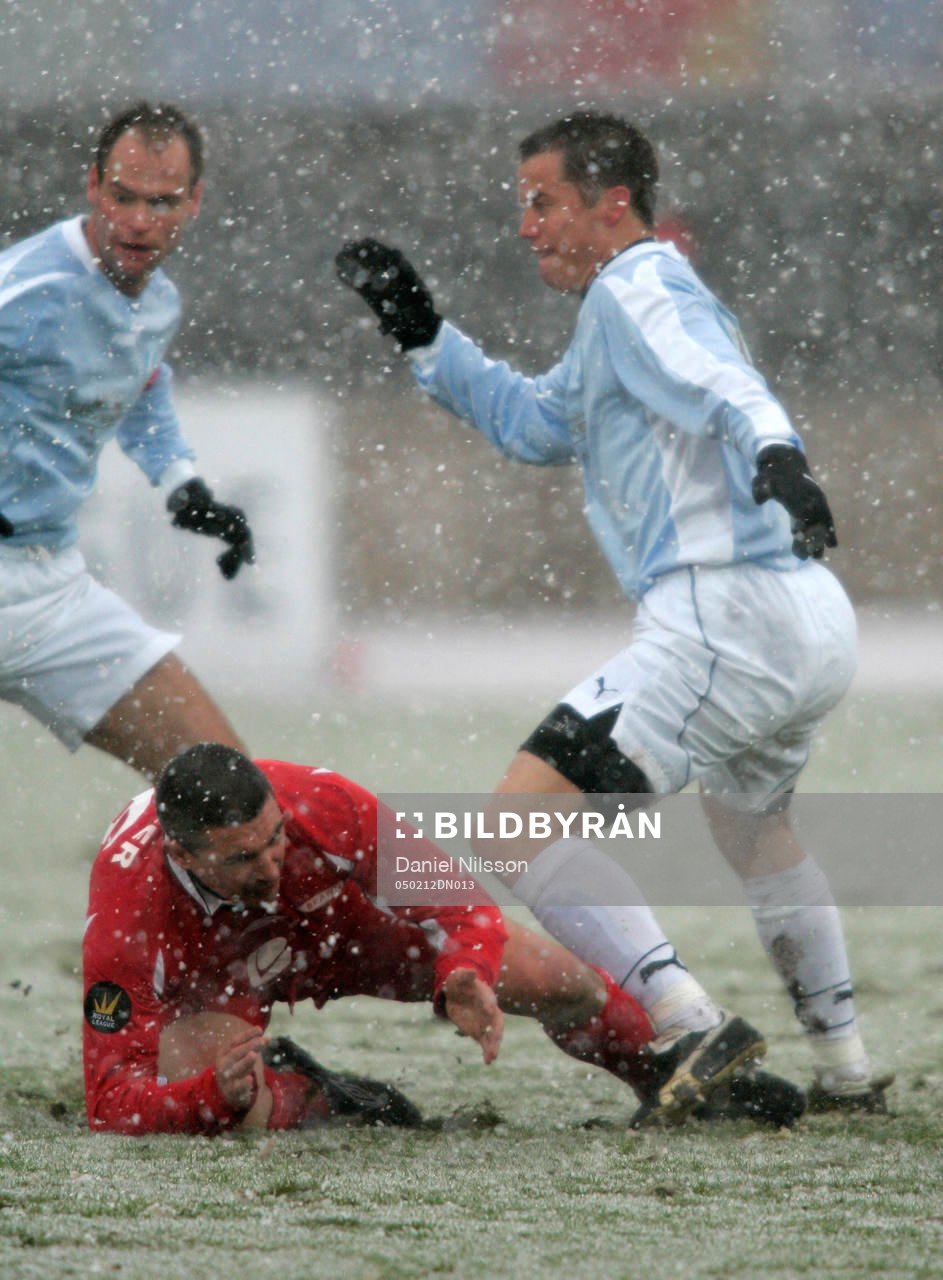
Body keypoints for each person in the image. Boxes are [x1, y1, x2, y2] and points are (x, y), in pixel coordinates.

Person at [335, 111, 891, 1112]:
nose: (526, 226)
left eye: (543, 203)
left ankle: (684, 1018)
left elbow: (728, 386)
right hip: (803, 617)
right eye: (523, 205)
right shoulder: (619, 309)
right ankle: (846, 1070)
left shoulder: (640, 286)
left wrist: (780, 455)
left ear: (614, 203)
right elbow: (536, 422)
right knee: (754, 831)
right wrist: (424, 333)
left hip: (726, 616)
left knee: (513, 822)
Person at [82, 743, 806, 1135]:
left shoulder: (322, 803)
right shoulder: (126, 914)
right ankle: (325, 1097)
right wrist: (205, 1093)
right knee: (227, 1115)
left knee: (565, 983)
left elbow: (465, 908)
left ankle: (663, 1076)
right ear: (180, 855)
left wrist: (464, 971)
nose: (269, 863)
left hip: (345, 929)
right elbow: (111, 1101)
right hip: (221, 975)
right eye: (242, 859)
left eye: (274, 840)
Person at [0, 101, 253, 778]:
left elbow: (141, 385)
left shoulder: (158, 301)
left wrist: (182, 486)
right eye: (123, 197)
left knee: (228, 790)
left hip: (50, 590)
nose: (139, 221)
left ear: (195, 201)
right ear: (92, 185)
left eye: (162, 201)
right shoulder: (30, 288)